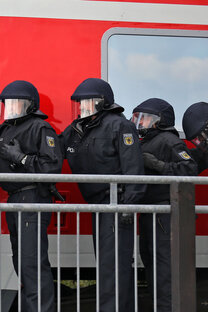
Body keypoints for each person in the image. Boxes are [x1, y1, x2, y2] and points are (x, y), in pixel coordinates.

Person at [0, 80, 62, 311]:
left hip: (32, 198)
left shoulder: (41, 128)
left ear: (30, 105)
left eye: (17, 103)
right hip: (16, 200)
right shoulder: (5, 129)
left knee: (32, 264)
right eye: (8, 104)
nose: (11, 108)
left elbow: (52, 166)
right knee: (21, 262)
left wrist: (22, 158)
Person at [59, 78, 145, 312]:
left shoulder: (119, 126)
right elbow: (53, 150)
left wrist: (128, 206)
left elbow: (133, 168)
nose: (83, 107)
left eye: (88, 102)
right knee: (106, 266)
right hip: (98, 205)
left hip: (116, 204)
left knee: (113, 268)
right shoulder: (77, 129)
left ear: (102, 103)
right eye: (81, 103)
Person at [130, 98, 197, 312]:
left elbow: (189, 168)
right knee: (149, 261)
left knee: (164, 266)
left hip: (165, 214)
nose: (141, 123)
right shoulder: (143, 142)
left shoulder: (169, 141)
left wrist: (158, 165)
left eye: (146, 118)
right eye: (138, 118)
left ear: (160, 121)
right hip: (150, 213)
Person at [182, 101, 208, 174]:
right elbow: (188, 170)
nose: (200, 140)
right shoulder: (203, 151)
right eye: (197, 138)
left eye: (201, 135)